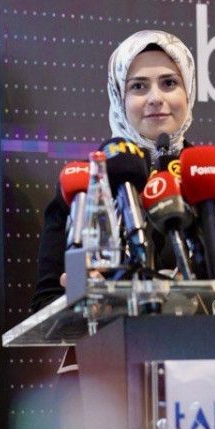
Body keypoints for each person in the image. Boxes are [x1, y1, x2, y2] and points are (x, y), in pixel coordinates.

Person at [31, 30, 196, 311]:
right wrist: (79, 299)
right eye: (138, 87)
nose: (155, 98)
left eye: (169, 83)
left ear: (188, 91)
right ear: (119, 96)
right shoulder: (83, 185)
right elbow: (45, 303)